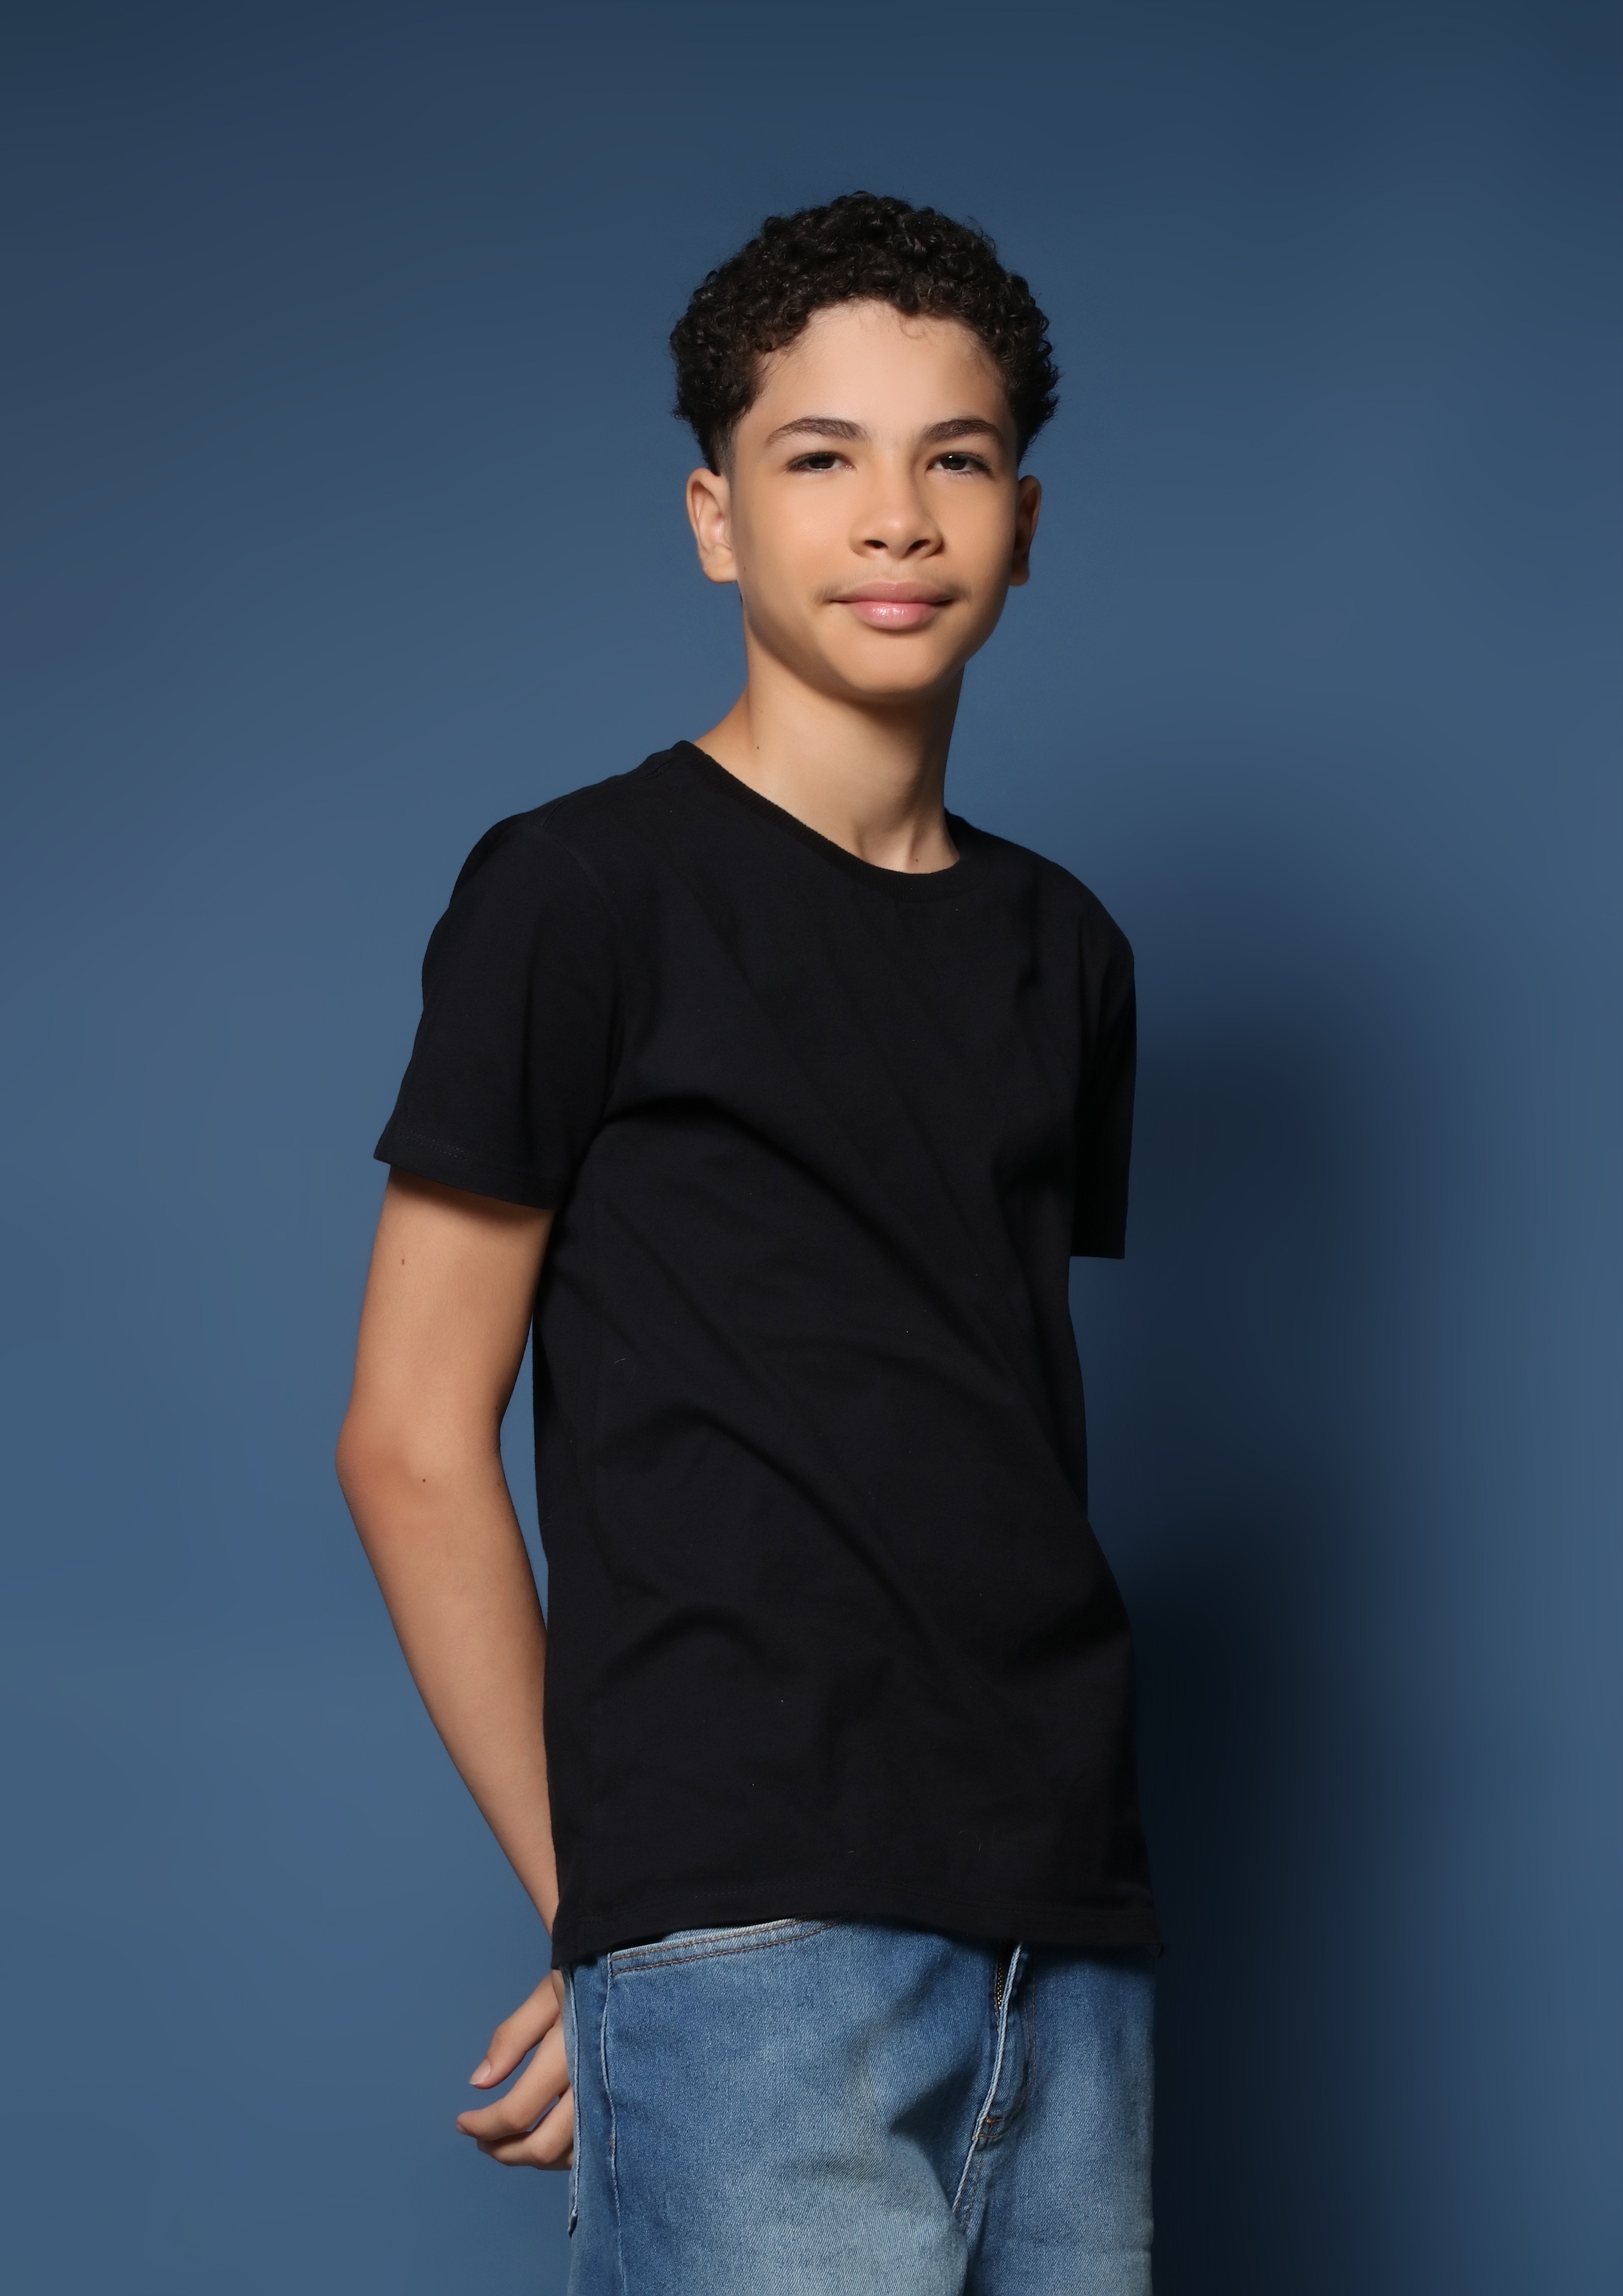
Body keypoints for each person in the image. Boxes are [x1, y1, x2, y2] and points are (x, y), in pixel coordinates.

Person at [337, 190, 1160, 2294]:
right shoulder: (580, 895)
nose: (894, 515)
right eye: (819, 455)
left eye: (953, 457)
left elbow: (971, 1420)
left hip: (1064, 1914)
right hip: (748, 1920)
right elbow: (408, 1438)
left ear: (1023, 523)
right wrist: (608, 1908)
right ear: (715, 519)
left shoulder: (1063, 950)